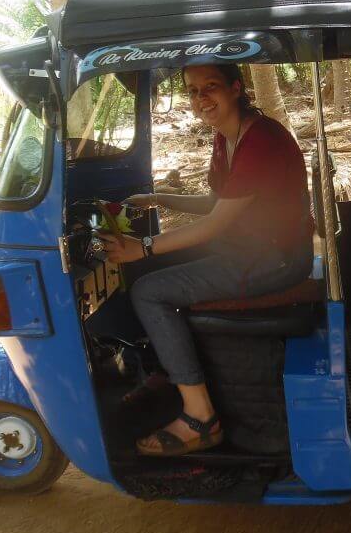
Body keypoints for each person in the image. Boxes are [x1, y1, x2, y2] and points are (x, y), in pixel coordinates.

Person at [98, 63, 313, 456]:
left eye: (210, 86)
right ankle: (169, 371)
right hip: (246, 247)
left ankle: (201, 418)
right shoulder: (226, 136)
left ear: (236, 88)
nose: (201, 99)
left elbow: (214, 224)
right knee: (146, 267)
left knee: (149, 290)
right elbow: (218, 203)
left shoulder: (260, 141)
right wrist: (157, 199)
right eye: (193, 91)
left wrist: (143, 245)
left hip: (274, 259)